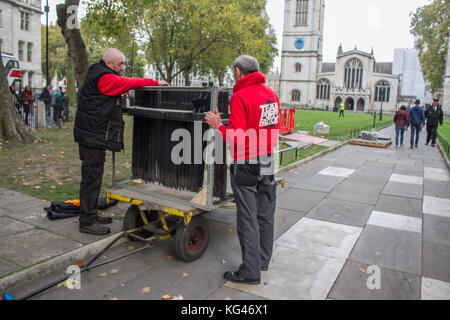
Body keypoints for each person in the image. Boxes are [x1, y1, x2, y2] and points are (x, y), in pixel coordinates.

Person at [74, 48, 170, 235]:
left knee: (94, 176)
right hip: (92, 135)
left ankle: (91, 214)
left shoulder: (99, 72)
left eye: (123, 63)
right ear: (108, 63)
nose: (123, 67)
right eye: (120, 64)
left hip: (91, 134)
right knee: (91, 178)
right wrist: (156, 82)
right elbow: (128, 82)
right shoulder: (105, 77)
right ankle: (86, 221)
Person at [205, 55, 280, 285]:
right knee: (265, 214)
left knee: (247, 218)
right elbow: (272, 131)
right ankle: (262, 261)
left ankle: (250, 271)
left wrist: (218, 126)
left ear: (238, 71)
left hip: (247, 162)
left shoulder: (240, 96)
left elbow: (236, 139)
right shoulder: (271, 96)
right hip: (267, 160)